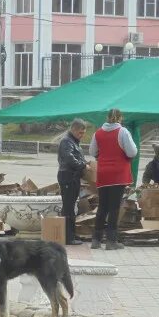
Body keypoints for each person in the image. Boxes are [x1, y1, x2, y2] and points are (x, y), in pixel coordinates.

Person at [89, 108, 138, 251]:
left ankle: (96, 239)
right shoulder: (123, 132)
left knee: (102, 207)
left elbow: (92, 152)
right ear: (120, 118)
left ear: (107, 117)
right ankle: (111, 241)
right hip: (118, 173)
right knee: (114, 208)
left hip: (103, 173)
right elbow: (132, 151)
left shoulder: (98, 133)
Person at [56, 118, 87, 246]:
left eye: (83, 133)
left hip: (72, 176)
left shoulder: (73, 141)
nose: (82, 135)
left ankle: (71, 234)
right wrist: (83, 165)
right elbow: (70, 159)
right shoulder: (67, 142)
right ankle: (68, 237)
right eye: (80, 132)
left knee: (71, 206)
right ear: (73, 129)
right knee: (68, 207)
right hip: (68, 176)